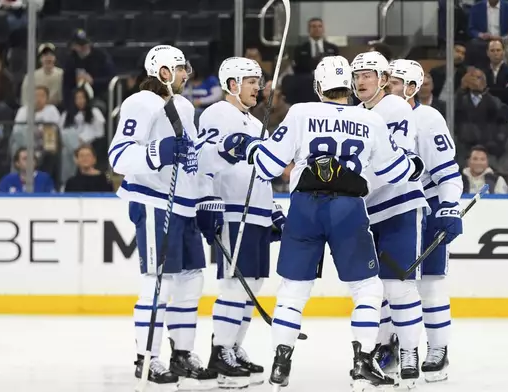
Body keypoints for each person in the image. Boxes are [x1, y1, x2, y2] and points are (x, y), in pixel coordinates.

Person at [234, 55, 424, 391]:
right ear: (349, 85)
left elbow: (267, 167)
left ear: (318, 86)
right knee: (367, 289)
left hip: (305, 208)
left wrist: (252, 148)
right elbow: (396, 172)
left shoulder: (301, 112)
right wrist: (416, 166)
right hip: (349, 208)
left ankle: (281, 363)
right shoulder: (369, 120)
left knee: (293, 292)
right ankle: (363, 363)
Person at [107, 44, 248, 390]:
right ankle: (147, 356)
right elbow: (118, 156)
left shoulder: (184, 106)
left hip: (183, 205)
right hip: (156, 202)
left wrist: (205, 200)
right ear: (165, 72)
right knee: (159, 283)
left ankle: (181, 353)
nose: (188, 75)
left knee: (190, 283)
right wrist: (159, 152)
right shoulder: (140, 103)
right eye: (183, 69)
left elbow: (193, 160)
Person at [197, 56, 285, 389]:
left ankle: (233, 346)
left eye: (259, 81)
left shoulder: (253, 122)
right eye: (251, 81)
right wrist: (208, 201)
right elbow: (204, 159)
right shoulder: (218, 113)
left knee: (254, 284)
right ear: (232, 84)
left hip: (257, 211)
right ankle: (220, 351)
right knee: (236, 284)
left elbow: (261, 171)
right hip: (234, 209)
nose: (258, 87)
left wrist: (273, 207)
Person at [350, 51, 430, 389]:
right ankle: (384, 349)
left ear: (384, 79)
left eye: (368, 74)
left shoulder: (396, 108)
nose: (361, 81)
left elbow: (391, 163)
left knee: (399, 286)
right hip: (366, 212)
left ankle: (410, 350)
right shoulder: (352, 115)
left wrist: (351, 187)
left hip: (398, 206)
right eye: (357, 75)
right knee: (372, 289)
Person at [387, 59, 463, 383]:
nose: (385, 86)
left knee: (429, 284)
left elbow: (448, 172)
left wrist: (448, 207)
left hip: (426, 206)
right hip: (389, 210)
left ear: (412, 87)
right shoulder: (372, 116)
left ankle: (438, 350)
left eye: (392, 82)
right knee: (391, 287)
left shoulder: (427, 118)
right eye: (385, 80)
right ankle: (400, 349)